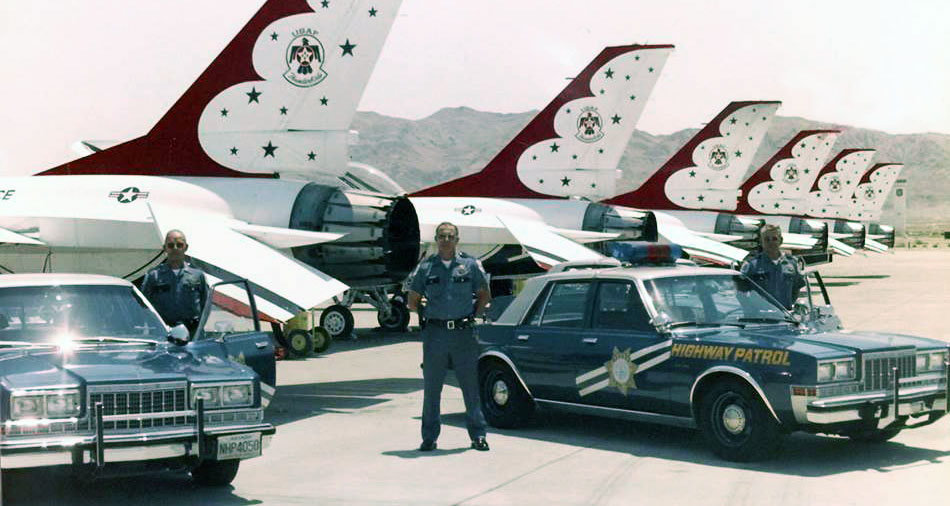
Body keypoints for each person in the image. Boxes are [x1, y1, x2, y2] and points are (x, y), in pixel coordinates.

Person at [407, 222, 492, 452]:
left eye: (450, 236)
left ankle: (478, 435)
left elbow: (484, 295)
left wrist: (472, 317)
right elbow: (412, 301)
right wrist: (429, 318)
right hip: (436, 335)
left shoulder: (470, 265)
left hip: (463, 334)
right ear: (436, 239)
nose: (446, 240)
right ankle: (429, 437)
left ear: (457, 239)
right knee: (432, 388)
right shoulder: (426, 268)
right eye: (442, 236)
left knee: (470, 386)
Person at [141, 229, 208, 337]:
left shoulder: (198, 276)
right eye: (171, 245)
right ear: (165, 248)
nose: (175, 249)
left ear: (186, 247)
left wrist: (199, 329)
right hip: (163, 333)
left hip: (192, 334)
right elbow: (144, 306)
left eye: (179, 245)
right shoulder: (154, 276)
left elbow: (206, 306)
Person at [740, 224, 805, 309]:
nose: (771, 243)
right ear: (761, 242)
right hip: (760, 318)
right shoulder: (751, 265)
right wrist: (751, 310)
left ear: (780, 240)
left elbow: (796, 289)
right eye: (767, 240)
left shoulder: (792, 264)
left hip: (784, 317)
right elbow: (740, 292)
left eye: (774, 239)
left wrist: (788, 306)